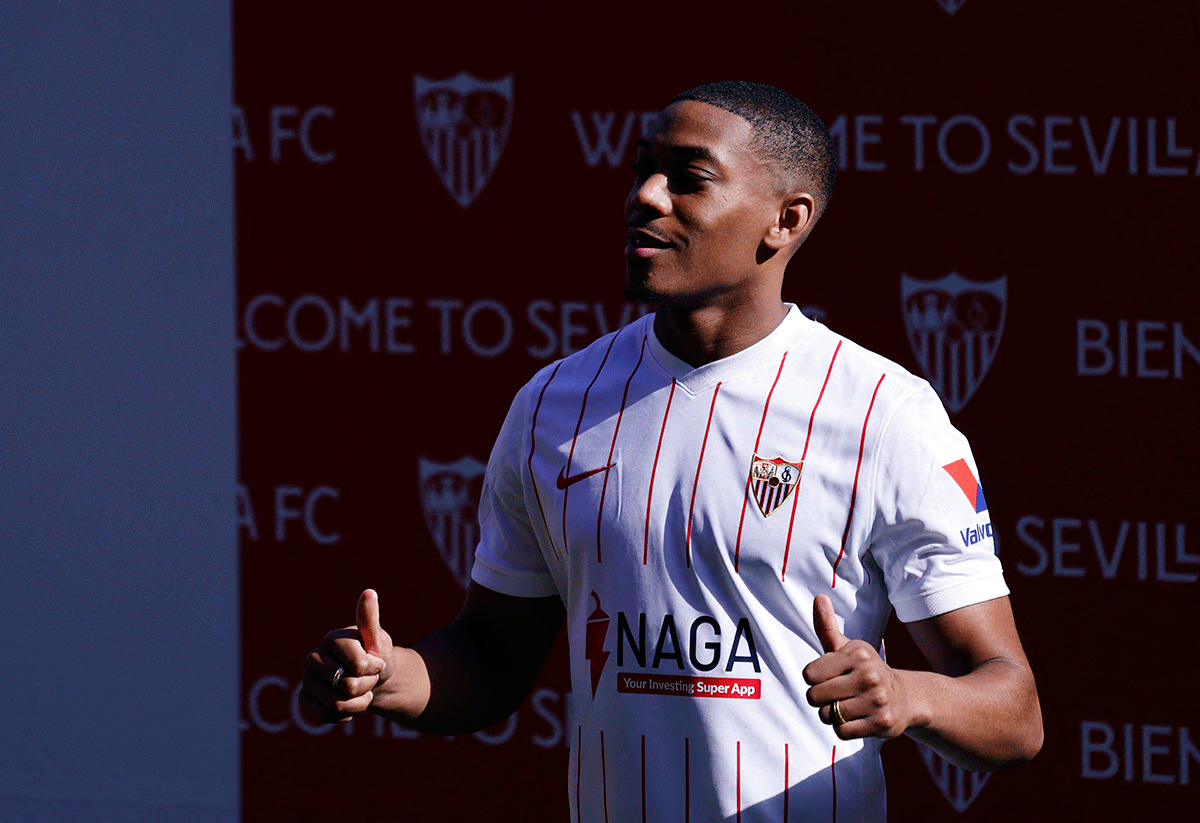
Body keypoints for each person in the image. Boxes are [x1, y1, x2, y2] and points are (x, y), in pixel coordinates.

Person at [301, 80, 1043, 821]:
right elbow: (491, 657)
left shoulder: (885, 414)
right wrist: (390, 674)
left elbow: (1014, 712)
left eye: (689, 178)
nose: (646, 197)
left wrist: (908, 692)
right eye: (641, 170)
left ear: (786, 220)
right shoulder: (553, 404)